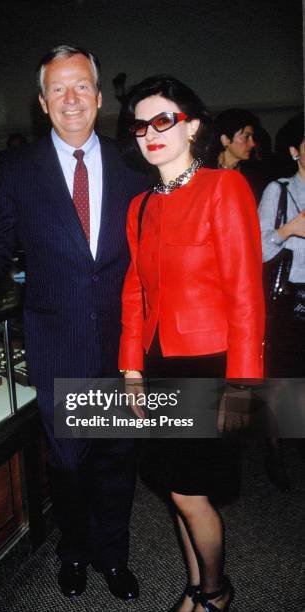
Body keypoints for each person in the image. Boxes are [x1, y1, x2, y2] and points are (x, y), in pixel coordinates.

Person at [0, 46, 149, 600]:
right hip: (57, 342)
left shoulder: (131, 165)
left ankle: (113, 557)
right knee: (67, 462)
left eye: (81, 86)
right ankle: (73, 551)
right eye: (58, 90)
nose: (71, 99)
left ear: (98, 96)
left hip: (125, 347)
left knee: (117, 461)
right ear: (43, 103)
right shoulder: (19, 169)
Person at [118, 76, 264, 611]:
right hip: (157, 363)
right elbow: (134, 293)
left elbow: (246, 294)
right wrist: (131, 369)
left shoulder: (224, 189)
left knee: (189, 490)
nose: (151, 133)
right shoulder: (139, 207)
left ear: (192, 126)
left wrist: (244, 385)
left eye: (164, 120)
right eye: (141, 124)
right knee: (171, 486)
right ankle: (195, 587)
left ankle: (216, 592)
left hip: (209, 364)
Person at [258, 114, 305, 489]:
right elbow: (256, 248)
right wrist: (288, 229)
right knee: (281, 382)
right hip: (288, 298)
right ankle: (274, 454)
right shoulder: (280, 189)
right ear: (294, 151)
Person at [208, 108, 270, 203]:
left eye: (252, 137)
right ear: (225, 139)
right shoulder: (203, 171)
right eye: (246, 137)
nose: (252, 143)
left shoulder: (254, 176)